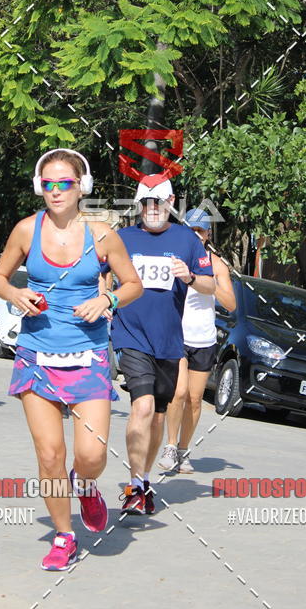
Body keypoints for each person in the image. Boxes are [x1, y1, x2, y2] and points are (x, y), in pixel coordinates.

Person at [0, 149, 142, 571]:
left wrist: (106, 298)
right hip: (36, 353)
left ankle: (87, 485)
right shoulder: (25, 230)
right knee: (50, 455)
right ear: (41, 187)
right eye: (49, 184)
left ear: (82, 187)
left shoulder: (103, 235)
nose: (56, 191)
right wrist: (16, 294)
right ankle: (63, 534)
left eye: (65, 183)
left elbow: (134, 285)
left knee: (91, 456)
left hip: (88, 355)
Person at [106, 175, 215, 515]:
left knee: (156, 417)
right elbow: (98, 271)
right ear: (139, 206)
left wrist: (191, 277)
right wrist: (104, 298)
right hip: (130, 334)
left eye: (159, 202)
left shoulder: (187, 239)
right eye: (146, 203)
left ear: (170, 203)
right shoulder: (121, 238)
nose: (152, 209)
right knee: (141, 406)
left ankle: (144, 479)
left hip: (169, 342)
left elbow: (211, 285)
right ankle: (135, 485)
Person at [158, 208, 236, 474]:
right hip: (177, 335)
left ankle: (183, 449)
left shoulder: (216, 265)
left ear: (207, 234)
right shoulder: (173, 260)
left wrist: (210, 282)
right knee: (178, 393)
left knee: (194, 398)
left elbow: (231, 304)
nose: (195, 235)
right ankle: (169, 447)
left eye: (200, 231)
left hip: (203, 338)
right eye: (191, 229)